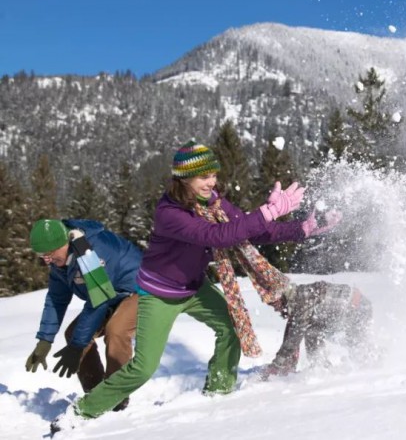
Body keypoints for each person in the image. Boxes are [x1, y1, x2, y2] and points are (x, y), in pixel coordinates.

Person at [58, 140, 330, 426]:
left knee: (231, 329)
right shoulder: (169, 213)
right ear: (183, 178)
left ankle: (219, 392)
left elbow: (248, 231)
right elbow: (219, 237)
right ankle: (81, 412)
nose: (211, 182)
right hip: (159, 293)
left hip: (193, 286)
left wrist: (302, 229)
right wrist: (267, 211)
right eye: (203, 176)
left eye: (213, 175)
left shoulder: (212, 201)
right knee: (143, 367)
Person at [26, 218, 141, 411]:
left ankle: (116, 397)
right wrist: (44, 341)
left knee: (117, 331)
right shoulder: (59, 263)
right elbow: (56, 299)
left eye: (49, 253)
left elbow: (98, 300)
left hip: (140, 289)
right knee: (73, 335)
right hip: (111, 296)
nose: (46, 260)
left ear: (63, 243)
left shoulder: (93, 251)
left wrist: (78, 346)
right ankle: (95, 396)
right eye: (41, 255)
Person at [262, 280, 374, 378]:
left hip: (358, 307)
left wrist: (276, 365)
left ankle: (378, 368)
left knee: (360, 353)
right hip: (355, 306)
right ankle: (321, 366)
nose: (275, 309)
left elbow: (294, 338)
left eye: (275, 304)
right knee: (312, 331)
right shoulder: (302, 298)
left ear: (283, 297)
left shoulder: (302, 301)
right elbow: (310, 333)